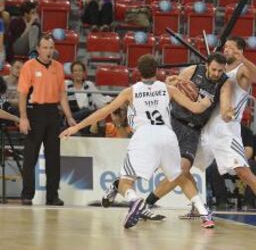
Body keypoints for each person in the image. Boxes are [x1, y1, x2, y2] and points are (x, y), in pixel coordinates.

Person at [60, 54, 214, 229]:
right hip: (167, 135)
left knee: (125, 181)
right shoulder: (169, 89)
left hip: (144, 136)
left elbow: (104, 111)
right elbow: (195, 108)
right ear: (157, 70)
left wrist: (76, 127)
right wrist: (206, 102)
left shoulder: (130, 91)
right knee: (180, 177)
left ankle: (134, 201)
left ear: (138, 72)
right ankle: (204, 214)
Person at [188, 36, 256, 225]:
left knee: (244, 173)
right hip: (207, 126)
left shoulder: (241, 70)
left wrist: (241, 58)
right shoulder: (218, 71)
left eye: (231, 48)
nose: (226, 49)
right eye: (225, 47)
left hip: (227, 130)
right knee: (186, 165)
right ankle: (197, 205)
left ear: (240, 50)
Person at [18, 35, 76, 206]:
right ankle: (27, 194)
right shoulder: (29, 66)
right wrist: (23, 117)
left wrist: (69, 115)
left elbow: (62, 94)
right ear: (38, 48)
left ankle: (53, 196)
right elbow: (22, 93)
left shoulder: (58, 67)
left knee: (53, 157)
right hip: (35, 112)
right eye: (45, 47)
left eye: (51, 48)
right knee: (30, 157)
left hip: (52, 113)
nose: (48, 51)